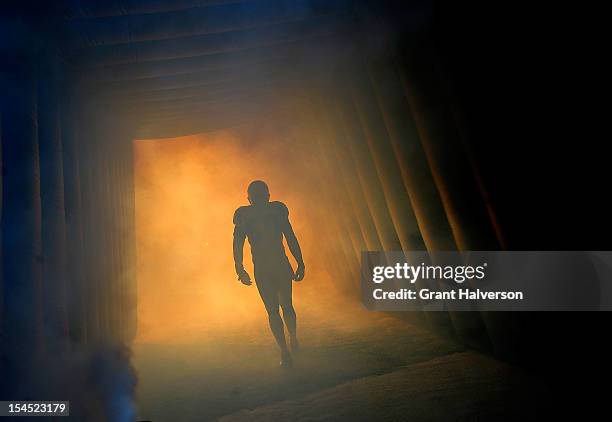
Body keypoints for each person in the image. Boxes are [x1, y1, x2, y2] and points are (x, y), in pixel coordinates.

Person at [233, 180, 305, 368]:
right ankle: (289, 344)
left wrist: (240, 267)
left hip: (268, 266)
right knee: (283, 307)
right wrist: (299, 261)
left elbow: (238, 244)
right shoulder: (274, 211)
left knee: (276, 310)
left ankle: (287, 347)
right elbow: (290, 237)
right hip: (274, 265)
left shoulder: (247, 215)